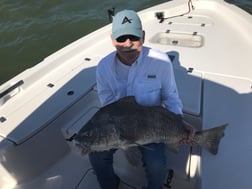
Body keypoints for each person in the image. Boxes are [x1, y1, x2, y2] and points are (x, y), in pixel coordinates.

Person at [89, 9, 185, 189]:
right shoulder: (103, 67)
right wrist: (120, 140)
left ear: (143, 36)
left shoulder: (161, 62)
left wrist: (180, 123)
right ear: (112, 40)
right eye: (121, 39)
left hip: (153, 125)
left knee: (156, 164)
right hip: (118, 127)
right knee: (96, 156)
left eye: (133, 38)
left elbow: (170, 96)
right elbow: (107, 101)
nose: (127, 45)